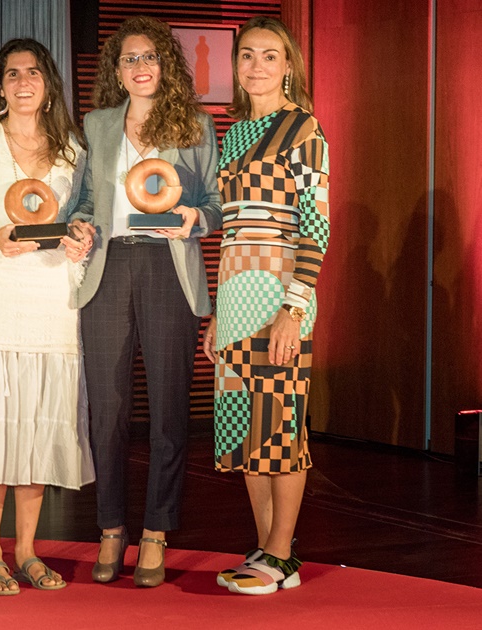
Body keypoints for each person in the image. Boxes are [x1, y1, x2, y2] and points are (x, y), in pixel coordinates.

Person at [69, 16, 221, 588]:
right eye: (129, 59)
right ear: (116, 70)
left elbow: (216, 203)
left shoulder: (196, 124)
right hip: (108, 268)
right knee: (106, 409)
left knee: (168, 407)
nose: (139, 68)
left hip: (167, 267)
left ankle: (156, 529)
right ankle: (111, 527)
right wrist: (80, 227)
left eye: (149, 57)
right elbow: (85, 200)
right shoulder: (98, 124)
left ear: (166, 65)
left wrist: (194, 219)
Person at [0, 38, 95, 596]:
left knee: (36, 421)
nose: (23, 82)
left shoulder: (73, 148)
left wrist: (82, 236)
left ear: (48, 83)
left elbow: (82, 215)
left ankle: (27, 550)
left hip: (51, 295)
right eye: (12, 74)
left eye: (33, 72)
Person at [202, 16, 329, 595]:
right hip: (234, 298)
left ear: (288, 66)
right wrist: (216, 312)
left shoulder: (302, 128)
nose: (257, 65)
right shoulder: (229, 134)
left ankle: (282, 554)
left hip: (280, 296)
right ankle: (266, 548)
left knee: (279, 425)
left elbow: (316, 227)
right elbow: (227, 232)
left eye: (270, 56)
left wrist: (293, 309)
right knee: (242, 430)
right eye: (247, 55)